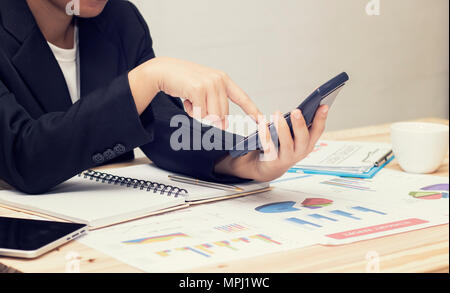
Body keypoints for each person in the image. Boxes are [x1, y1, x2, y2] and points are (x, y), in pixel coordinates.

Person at [0, 0, 329, 194]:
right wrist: (147, 78)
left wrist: (242, 162)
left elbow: (163, 127)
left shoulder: (119, 19)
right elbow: (24, 155)